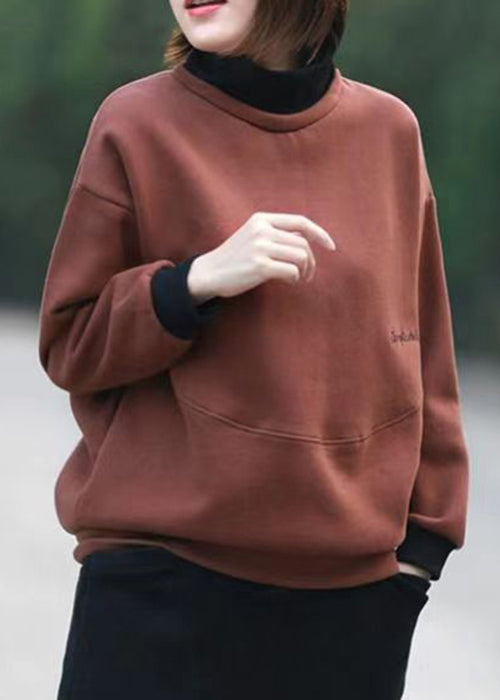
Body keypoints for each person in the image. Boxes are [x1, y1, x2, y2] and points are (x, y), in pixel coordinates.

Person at [38, 1, 470, 698]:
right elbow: (70, 345)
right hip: (155, 591)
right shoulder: (135, 121)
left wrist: (423, 551)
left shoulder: (389, 132)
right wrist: (192, 283)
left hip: (350, 612)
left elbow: (424, 356)